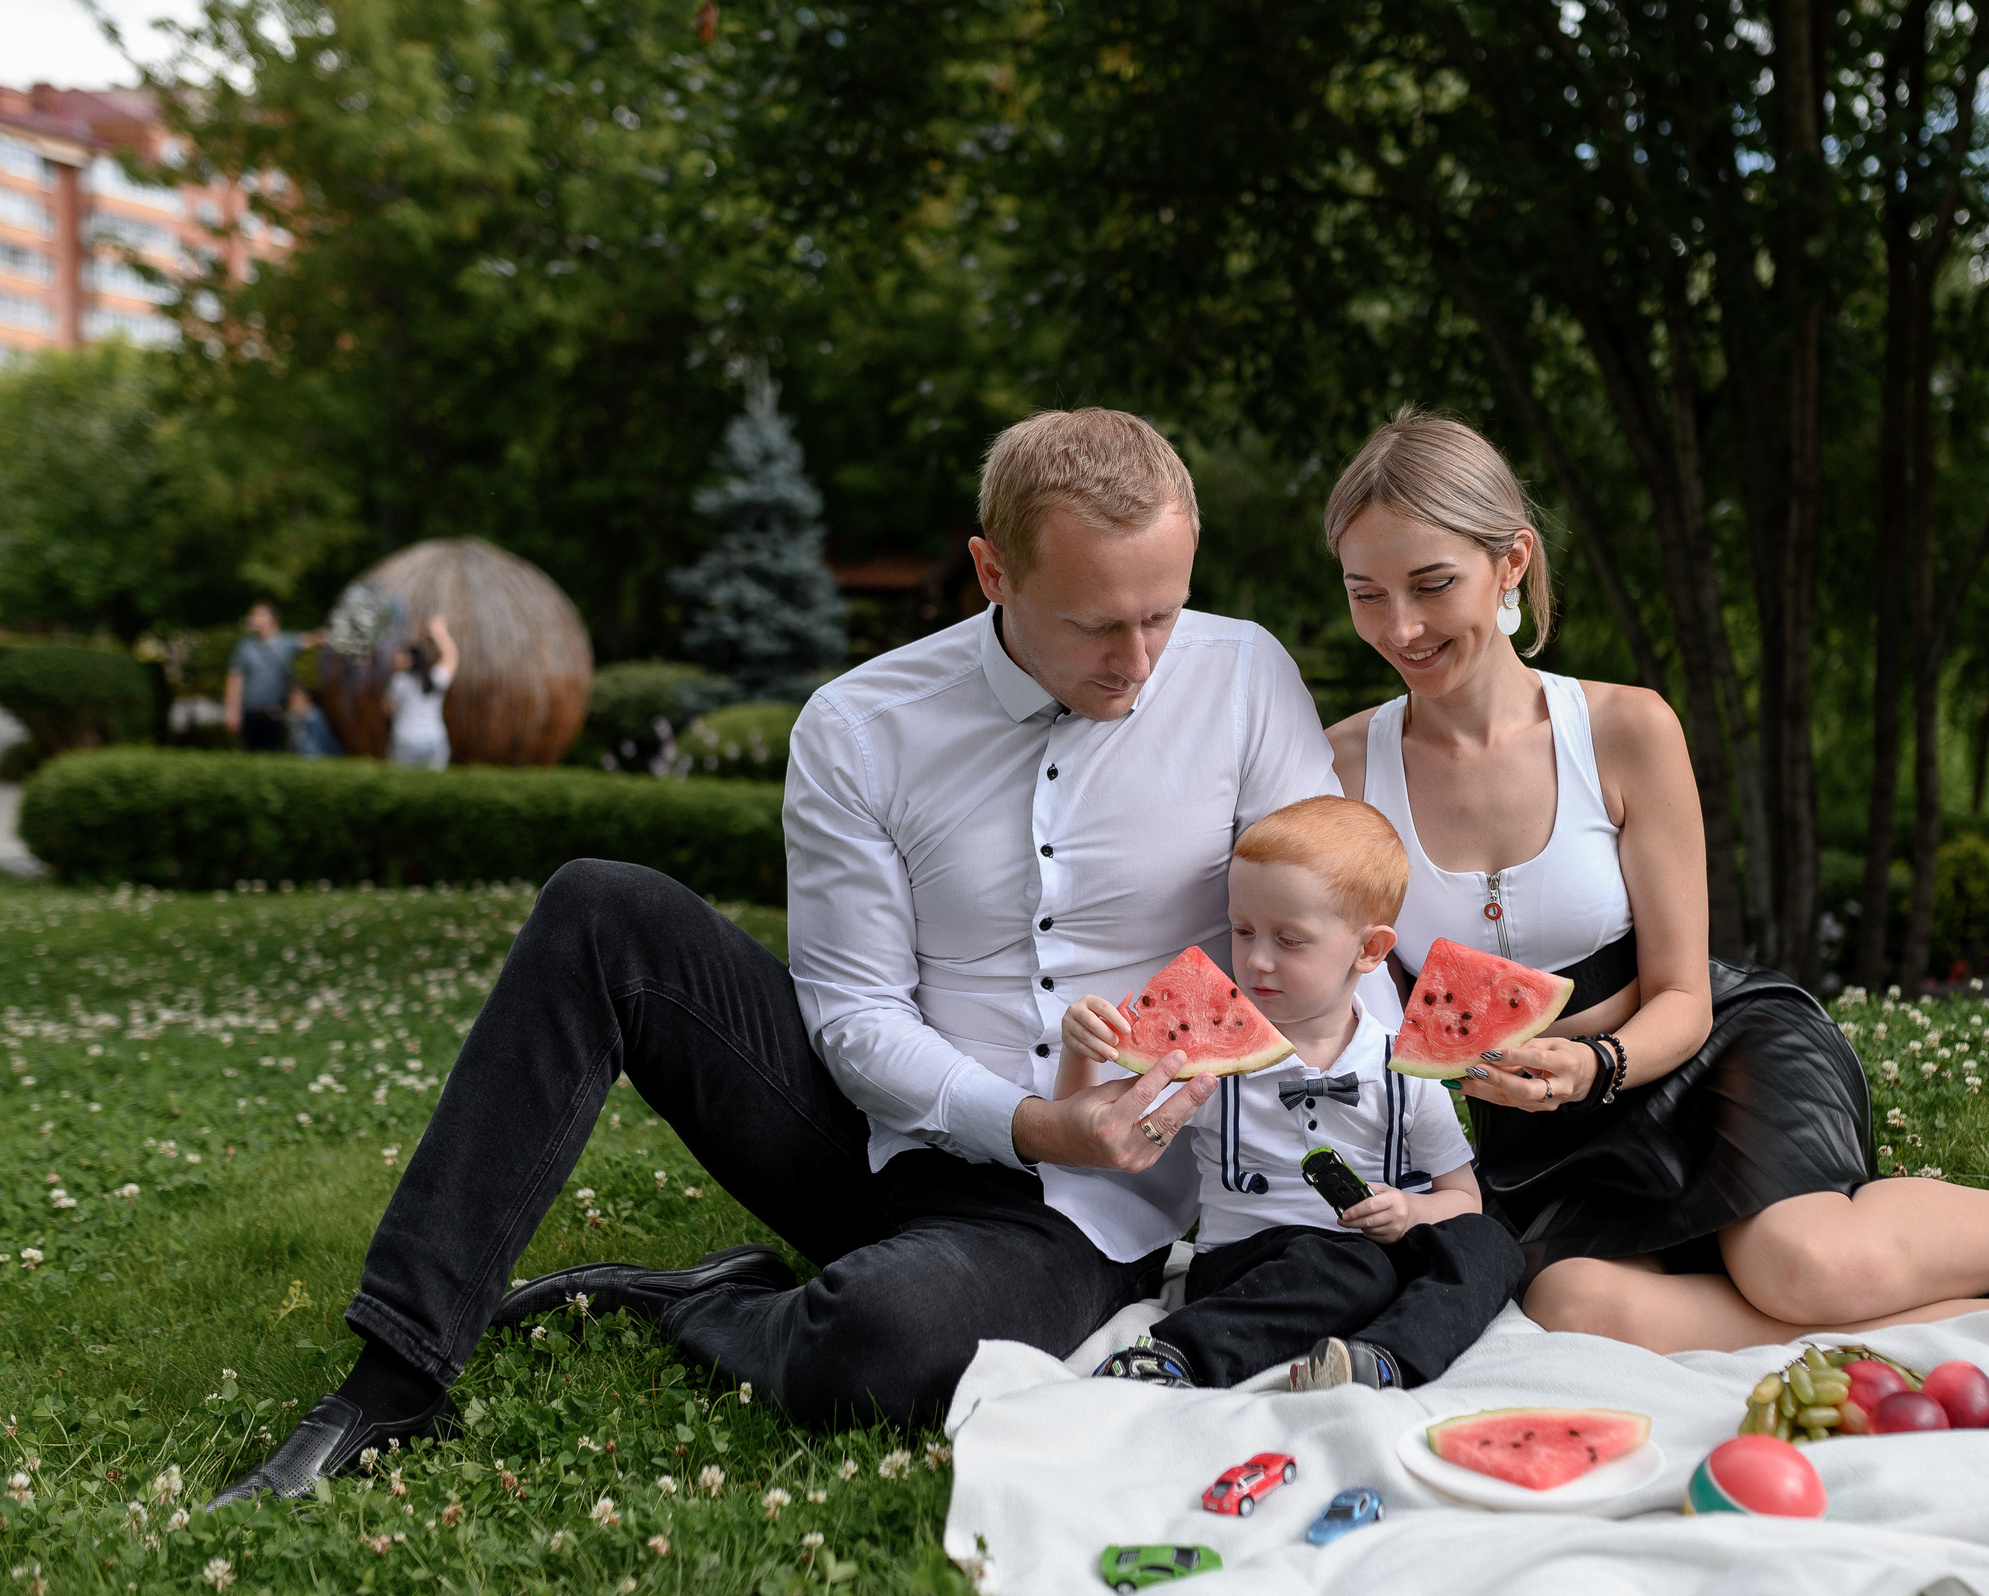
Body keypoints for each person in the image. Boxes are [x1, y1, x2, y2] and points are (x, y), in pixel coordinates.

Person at [210, 409, 1341, 1508]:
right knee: (601, 907)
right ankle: (398, 1373)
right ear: (993, 573)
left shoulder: (1242, 680)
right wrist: (1026, 1118)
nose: (1139, 659)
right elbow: (850, 1015)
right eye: (1097, 624)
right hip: (870, 1136)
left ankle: (703, 1303)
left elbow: (1320, 929)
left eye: (1164, 614)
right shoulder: (861, 723)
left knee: (884, 1341)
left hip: (1085, 1204)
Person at [1321, 410, 1989, 1354]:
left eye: (1430, 584)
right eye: (1366, 593)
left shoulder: (1624, 728)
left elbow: (1680, 993)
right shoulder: (1343, 767)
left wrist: (1596, 1064)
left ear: (1511, 564)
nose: (1399, 628)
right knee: (1576, 1306)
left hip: (1704, 1051)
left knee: (1802, 1265)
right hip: (1544, 1134)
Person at [1060, 796, 1522, 1392]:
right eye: (1243, 930)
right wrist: (1081, 1053)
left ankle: (1381, 1360)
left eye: (1290, 940)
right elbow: (1094, 1128)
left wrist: (1411, 1211)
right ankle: (1177, 1354)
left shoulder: (1401, 1064)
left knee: (1492, 1244)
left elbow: (1463, 1198)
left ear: (1371, 950)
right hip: (1248, 1267)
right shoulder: (1208, 1058)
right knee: (1349, 1270)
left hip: (1383, 1252)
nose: (1256, 960)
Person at [224, 602, 322, 753]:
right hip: (250, 714)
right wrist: (231, 712)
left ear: (273, 619)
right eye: (253, 615)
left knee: (274, 757)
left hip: (276, 715)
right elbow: (235, 680)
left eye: (259, 614)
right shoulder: (245, 647)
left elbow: (312, 639)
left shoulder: (286, 643)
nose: (253, 619)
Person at [385, 616, 458, 770]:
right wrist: (439, 632)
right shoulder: (435, 678)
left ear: (409, 659)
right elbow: (451, 657)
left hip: (405, 741)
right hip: (434, 739)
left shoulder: (399, 682)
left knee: (403, 784)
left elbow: (387, 710)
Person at [287, 686, 343, 759]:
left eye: (297, 699)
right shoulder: (293, 716)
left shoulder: (315, 716)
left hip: (318, 754)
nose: (294, 702)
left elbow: (324, 739)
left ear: (306, 698)